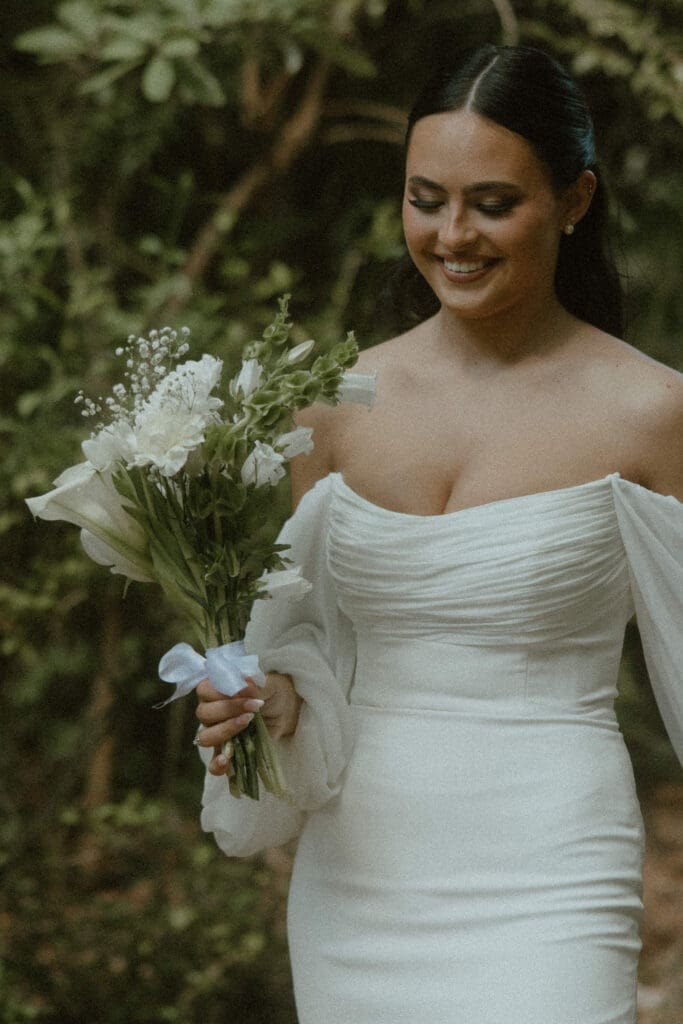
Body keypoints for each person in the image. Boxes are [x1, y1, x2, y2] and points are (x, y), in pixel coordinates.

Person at [195, 44, 683, 1023]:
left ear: (574, 196)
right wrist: (265, 699)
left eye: (491, 203)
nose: (451, 234)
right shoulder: (326, 400)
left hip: (551, 864)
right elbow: (307, 646)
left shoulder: (651, 412)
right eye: (425, 198)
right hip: (361, 867)